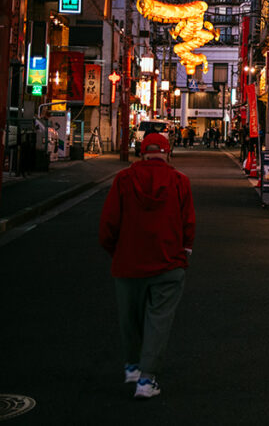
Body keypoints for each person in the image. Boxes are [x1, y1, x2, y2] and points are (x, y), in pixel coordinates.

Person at [99, 132, 195, 399]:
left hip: (128, 263)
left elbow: (108, 225)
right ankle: (147, 379)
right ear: (167, 153)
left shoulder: (123, 179)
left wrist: (116, 251)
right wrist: (184, 250)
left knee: (129, 317)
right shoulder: (179, 181)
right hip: (168, 262)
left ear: (142, 153)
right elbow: (188, 222)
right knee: (158, 319)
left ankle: (132, 366)